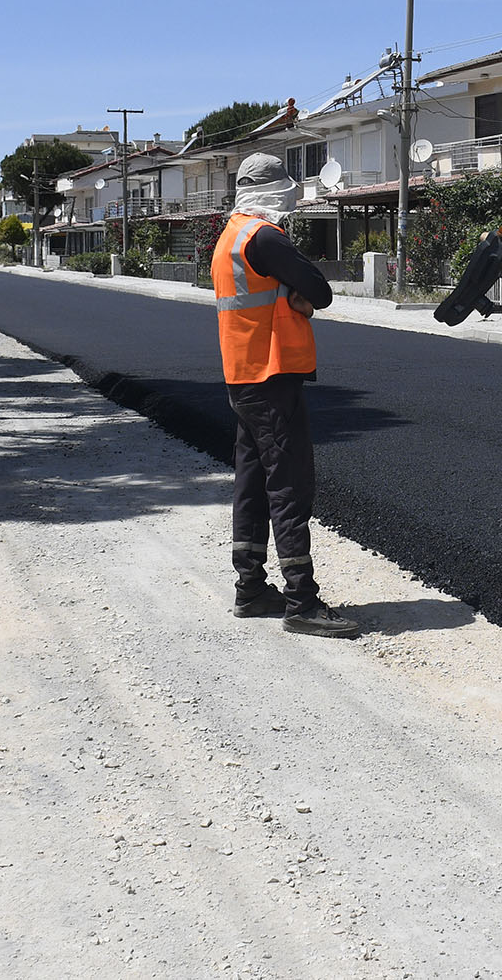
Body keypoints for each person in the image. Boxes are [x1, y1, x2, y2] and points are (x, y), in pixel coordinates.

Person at [212, 153, 358, 638]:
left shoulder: (229, 237)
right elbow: (319, 289)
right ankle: (302, 601)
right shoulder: (265, 238)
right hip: (273, 375)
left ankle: (250, 588)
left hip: (242, 377)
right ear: (274, 191)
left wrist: (294, 294)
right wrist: (300, 295)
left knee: (251, 483)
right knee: (289, 485)